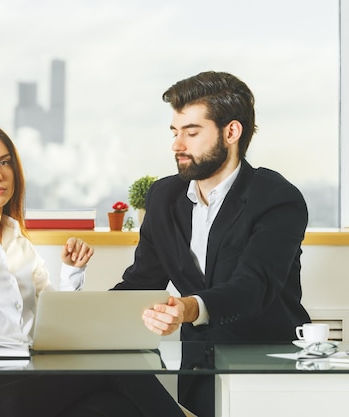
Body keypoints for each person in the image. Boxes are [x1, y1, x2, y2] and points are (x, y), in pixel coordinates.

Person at [0, 120, 185, 417]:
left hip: (39, 376)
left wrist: (72, 271)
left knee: (112, 407)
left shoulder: (20, 241)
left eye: (4, 163)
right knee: (117, 368)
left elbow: (54, 322)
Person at [112, 71, 312, 416]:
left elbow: (253, 286)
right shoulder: (164, 196)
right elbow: (142, 282)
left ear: (231, 132)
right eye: (175, 132)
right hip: (203, 375)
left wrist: (189, 308)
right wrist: (85, 320)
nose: (177, 145)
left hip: (273, 367)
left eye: (191, 132)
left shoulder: (276, 198)